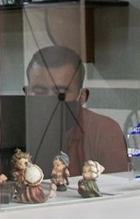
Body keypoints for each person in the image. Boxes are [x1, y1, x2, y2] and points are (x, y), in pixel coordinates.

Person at [23, 45, 129, 176]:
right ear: (26, 93)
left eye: (61, 93)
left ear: (82, 96)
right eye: (40, 92)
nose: (50, 99)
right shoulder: (16, 131)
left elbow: (118, 185)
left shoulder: (103, 131)